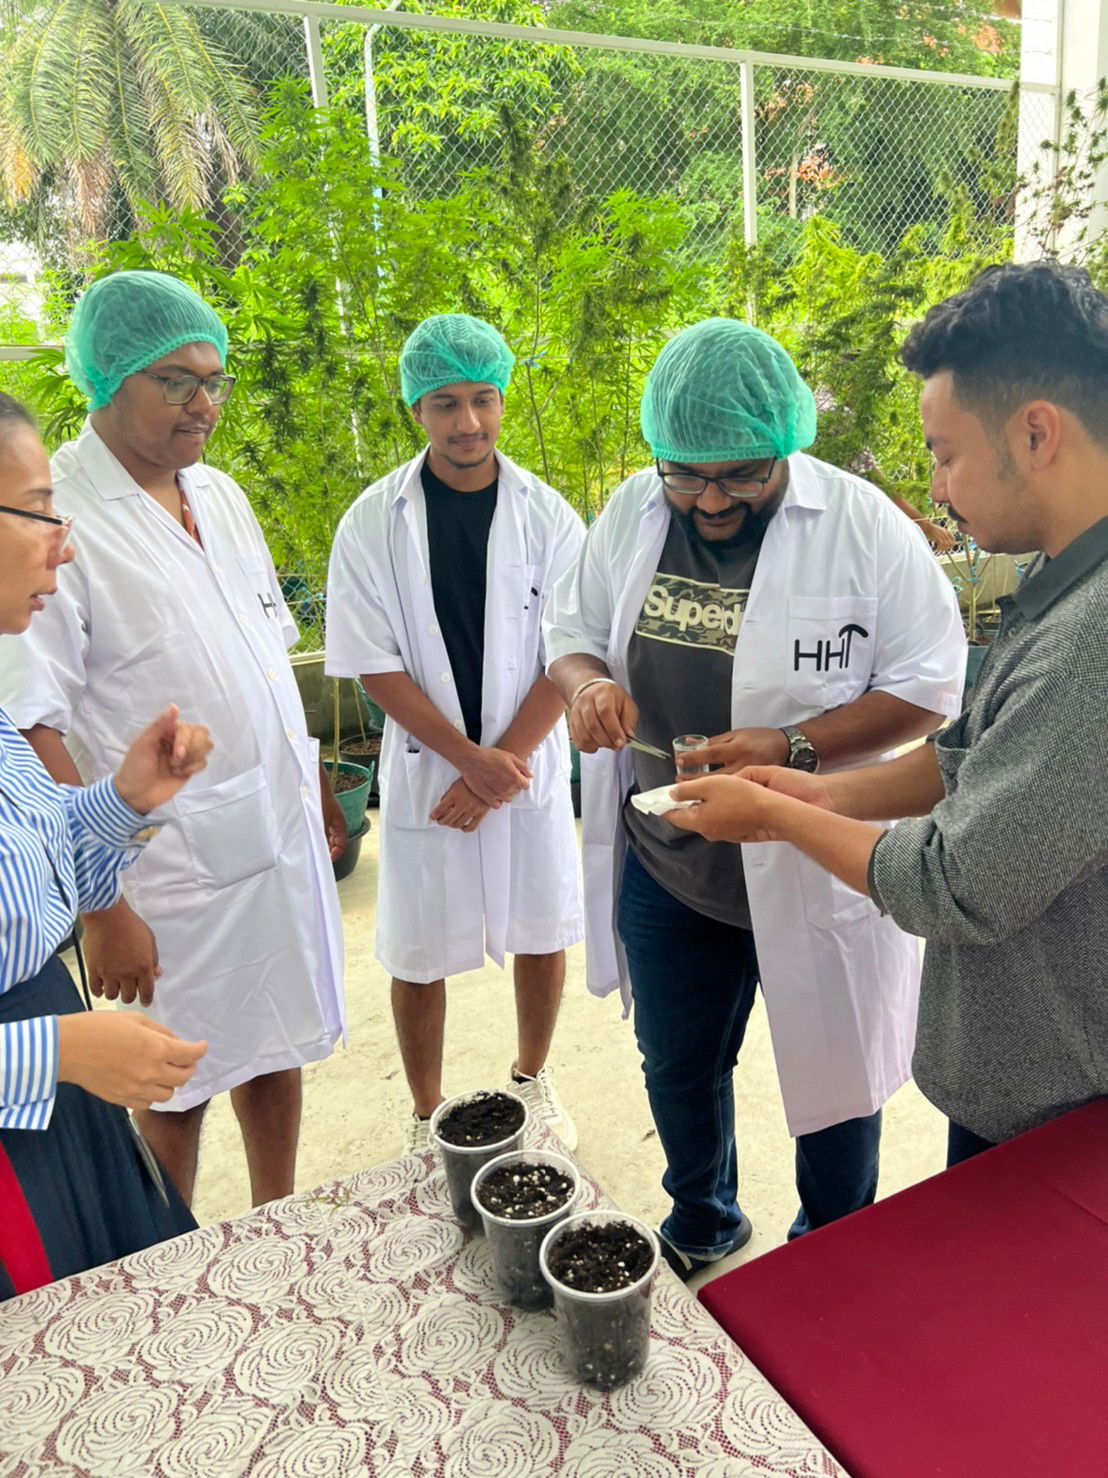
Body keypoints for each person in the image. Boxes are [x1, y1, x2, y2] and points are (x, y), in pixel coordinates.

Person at [545, 317, 965, 1279]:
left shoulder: (860, 527)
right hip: (672, 859)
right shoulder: (632, 513)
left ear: (784, 447)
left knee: (837, 1077)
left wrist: (793, 745)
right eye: (686, 474)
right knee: (678, 1061)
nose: (711, 498)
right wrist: (585, 686)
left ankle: (832, 1242)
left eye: (741, 475)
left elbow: (930, 685)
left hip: (815, 862)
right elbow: (569, 627)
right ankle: (703, 1215)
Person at [665, 263, 1108, 1167]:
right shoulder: (1063, 586)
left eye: (945, 455)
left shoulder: (1092, 644)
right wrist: (821, 792)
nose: (938, 491)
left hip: (1056, 1104)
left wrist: (777, 814)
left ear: (1035, 434)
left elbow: (954, 883)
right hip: (1032, 1072)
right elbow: (973, 754)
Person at [0, 271, 346, 1209]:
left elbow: (271, 660)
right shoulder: (56, 514)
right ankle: (176, 1248)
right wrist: (104, 906)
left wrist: (312, 791)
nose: (205, 403)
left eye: (216, 379)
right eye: (176, 381)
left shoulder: (220, 494)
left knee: (280, 1041)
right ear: (108, 379)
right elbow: (34, 719)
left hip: (269, 835)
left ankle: (281, 1217)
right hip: (164, 870)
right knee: (174, 1075)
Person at [326, 314, 584, 1152]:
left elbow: (569, 648)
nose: (467, 423)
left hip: (525, 758)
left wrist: (501, 764)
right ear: (416, 409)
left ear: (502, 399)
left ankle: (532, 1081)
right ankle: (425, 1112)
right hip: (432, 766)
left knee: (543, 925)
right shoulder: (373, 523)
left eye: (483, 399)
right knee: (416, 944)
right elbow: (374, 663)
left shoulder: (550, 518)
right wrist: (468, 763)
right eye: (445, 404)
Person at [0, 392, 213, 1298]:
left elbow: (36, 875)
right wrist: (56, 1054)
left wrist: (126, 796)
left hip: (50, 1081)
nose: (65, 539)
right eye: (40, 508)